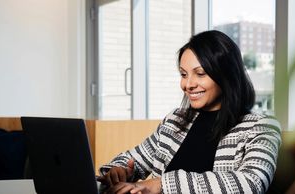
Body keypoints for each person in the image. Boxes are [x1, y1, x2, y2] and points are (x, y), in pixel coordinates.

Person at [97, 30, 281, 194]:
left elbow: (252, 183)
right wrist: (119, 171)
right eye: (184, 74)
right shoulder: (174, 120)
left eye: (200, 74)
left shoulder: (261, 126)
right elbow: (131, 159)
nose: (188, 84)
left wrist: (161, 184)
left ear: (226, 74)